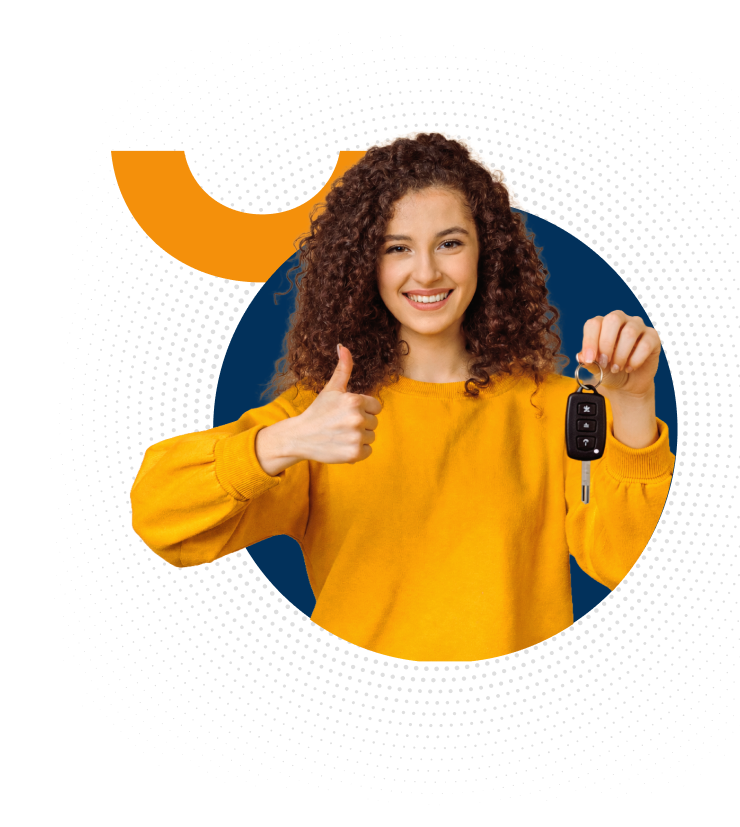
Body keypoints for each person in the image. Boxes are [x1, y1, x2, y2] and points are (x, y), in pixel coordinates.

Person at [130, 130, 674, 663]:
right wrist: (281, 443)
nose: (426, 272)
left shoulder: (555, 408)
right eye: (397, 247)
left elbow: (625, 561)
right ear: (366, 265)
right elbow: (158, 515)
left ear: (488, 252)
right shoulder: (322, 418)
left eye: (450, 242)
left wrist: (632, 402)